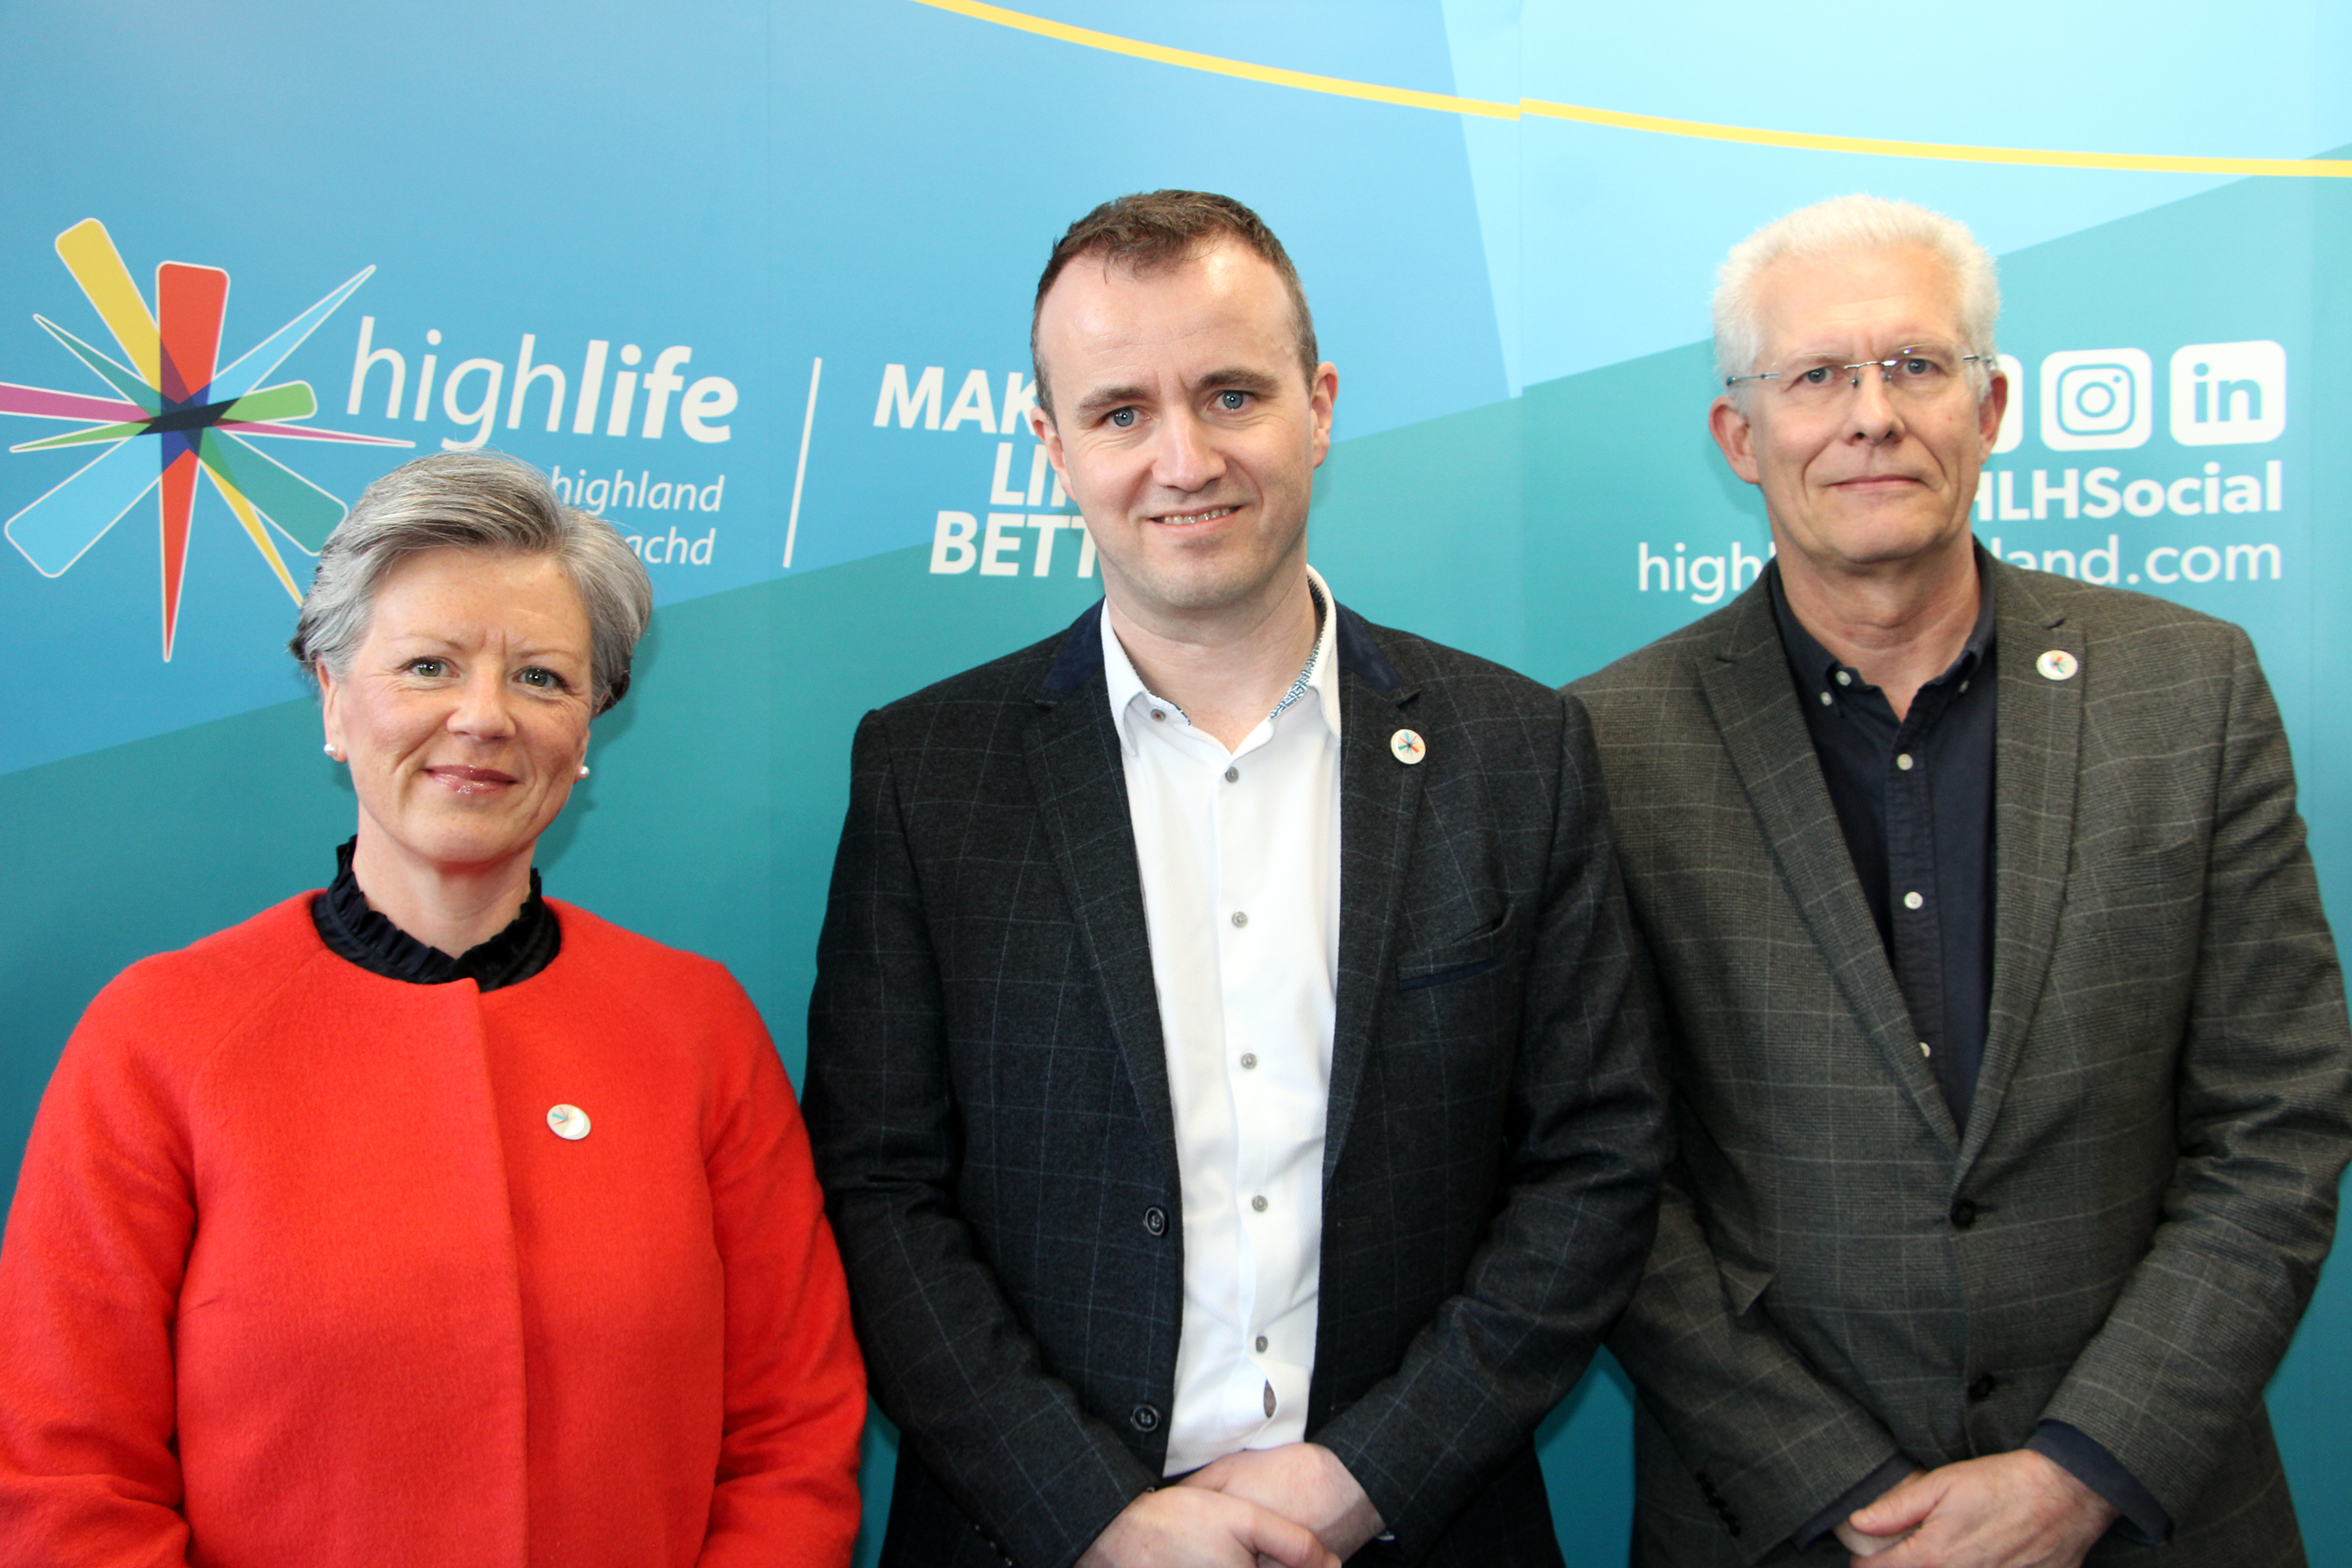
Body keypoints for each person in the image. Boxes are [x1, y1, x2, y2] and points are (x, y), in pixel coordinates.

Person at [804, 190, 1661, 1568]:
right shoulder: (930, 772)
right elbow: (880, 1190)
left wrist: (1369, 1476)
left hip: (1418, 1530)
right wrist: (1094, 1516)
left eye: (1231, 395)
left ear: (1318, 408)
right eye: (1120, 412)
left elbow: (1596, 1162)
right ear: (1053, 447)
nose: (1183, 459)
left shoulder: (1518, 750)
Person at [1570, 193, 2352, 1566]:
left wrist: (2084, 1472)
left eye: (1915, 365)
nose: (1872, 415)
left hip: (2146, 1515)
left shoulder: (2192, 688)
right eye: (1817, 375)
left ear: (1989, 409)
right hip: (1783, 1524)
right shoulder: (1607, 743)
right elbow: (1605, 1174)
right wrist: (1843, 1492)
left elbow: (2280, 1120)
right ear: (1740, 437)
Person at [0, 452, 866, 1567]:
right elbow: (66, 1474)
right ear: (333, 698)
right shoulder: (160, 1034)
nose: (484, 716)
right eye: (427, 666)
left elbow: (794, 1436)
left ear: (588, 729)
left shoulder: (697, 1028)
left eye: (541, 678)